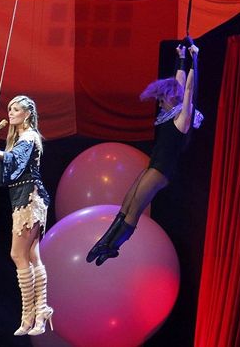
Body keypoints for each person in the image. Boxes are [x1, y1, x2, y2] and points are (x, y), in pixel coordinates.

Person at [87, 43, 203, 266]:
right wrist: (181, 58)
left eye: (162, 98)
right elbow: (177, 84)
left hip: (161, 171)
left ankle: (112, 247)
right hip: (153, 167)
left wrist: (194, 61)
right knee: (127, 203)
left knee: (135, 208)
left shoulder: (183, 119)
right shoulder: (171, 115)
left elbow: (187, 91)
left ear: (171, 98)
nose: (159, 103)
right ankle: (106, 244)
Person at [0, 95, 53, 336]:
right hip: (23, 196)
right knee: (33, 255)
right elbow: (7, 171)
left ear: (27, 114)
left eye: (16, 109)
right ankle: (41, 311)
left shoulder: (29, 137)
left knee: (17, 253)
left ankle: (28, 315)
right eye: (9, 109)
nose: (11, 113)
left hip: (30, 197)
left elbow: (17, 160)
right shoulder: (19, 139)